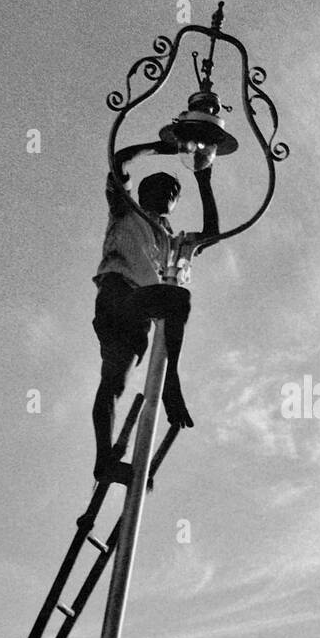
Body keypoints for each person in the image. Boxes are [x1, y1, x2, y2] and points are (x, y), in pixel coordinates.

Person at [91, 139, 219, 485]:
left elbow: (211, 234)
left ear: (175, 203)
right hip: (117, 296)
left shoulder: (171, 241)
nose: (167, 193)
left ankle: (106, 463)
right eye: (161, 187)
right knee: (178, 301)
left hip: (140, 318)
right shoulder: (125, 208)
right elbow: (120, 161)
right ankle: (169, 383)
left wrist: (203, 180)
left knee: (114, 382)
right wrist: (166, 146)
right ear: (145, 191)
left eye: (173, 191)